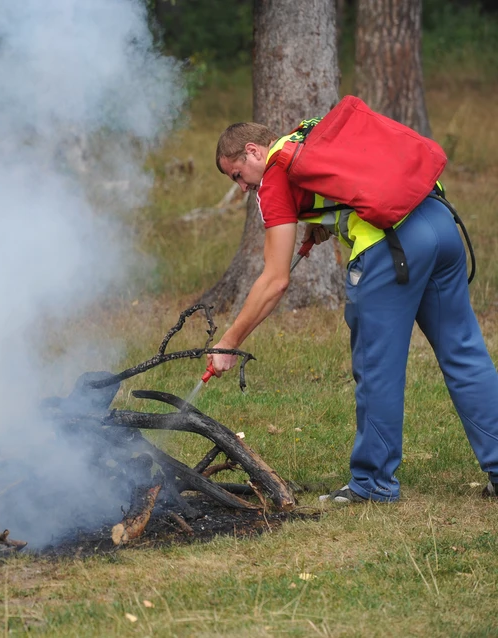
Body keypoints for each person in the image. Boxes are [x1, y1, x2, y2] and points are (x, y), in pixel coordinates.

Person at [209, 120, 498, 503]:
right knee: (464, 353)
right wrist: (328, 222)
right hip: (441, 223)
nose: (244, 187)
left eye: (238, 176)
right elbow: (354, 186)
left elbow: (275, 279)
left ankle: (374, 484)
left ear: (253, 151)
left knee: (376, 368)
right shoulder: (311, 133)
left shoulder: (276, 175)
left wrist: (228, 343)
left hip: (393, 250)